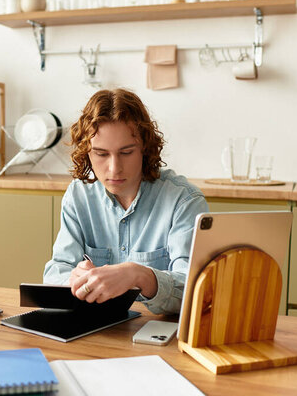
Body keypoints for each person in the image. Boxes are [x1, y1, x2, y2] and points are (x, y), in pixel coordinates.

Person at [43, 88, 208, 315]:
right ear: (87, 153)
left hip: (161, 337)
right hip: (96, 334)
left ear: (145, 149)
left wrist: (139, 275)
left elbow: (195, 290)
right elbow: (56, 271)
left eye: (127, 152)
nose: (114, 168)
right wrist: (74, 279)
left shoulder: (184, 200)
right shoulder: (78, 195)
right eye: (101, 154)